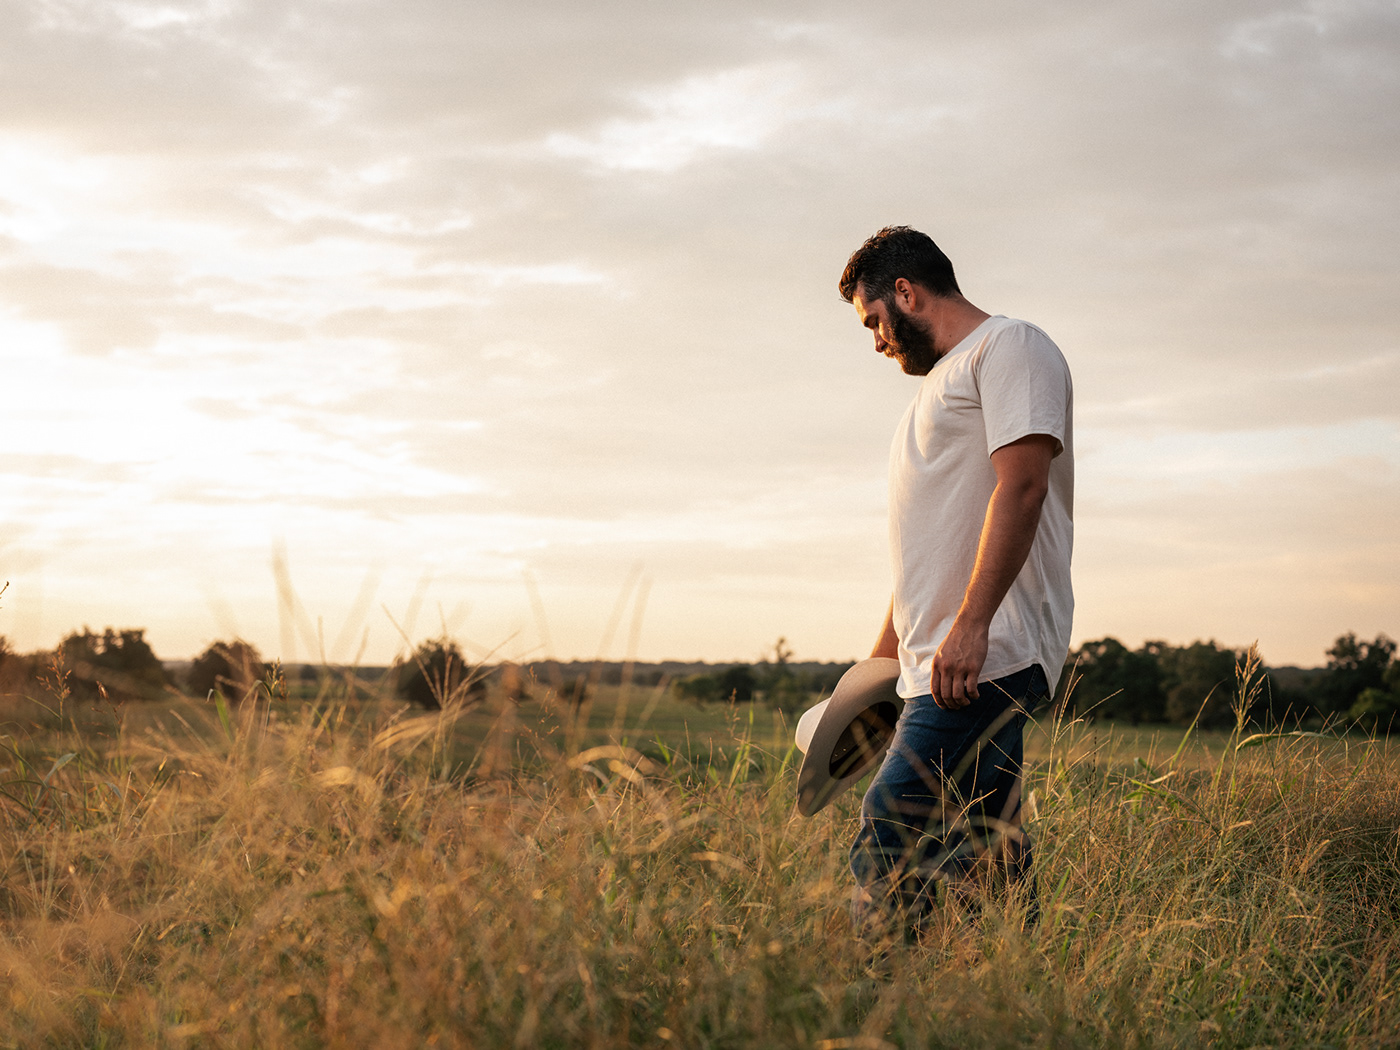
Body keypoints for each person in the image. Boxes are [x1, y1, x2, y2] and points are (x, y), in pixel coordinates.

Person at [838, 226, 1074, 935]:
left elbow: (1024, 486)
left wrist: (970, 624)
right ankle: (1021, 985)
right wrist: (877, 674)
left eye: (875, 320)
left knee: (892, 821)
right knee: (987, 843)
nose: (877, 341)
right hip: (939, 659)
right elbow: (924, 556)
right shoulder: (933, 393)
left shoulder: (1010, 347)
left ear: (906, 292)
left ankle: (876, 1002)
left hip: (983, 651)